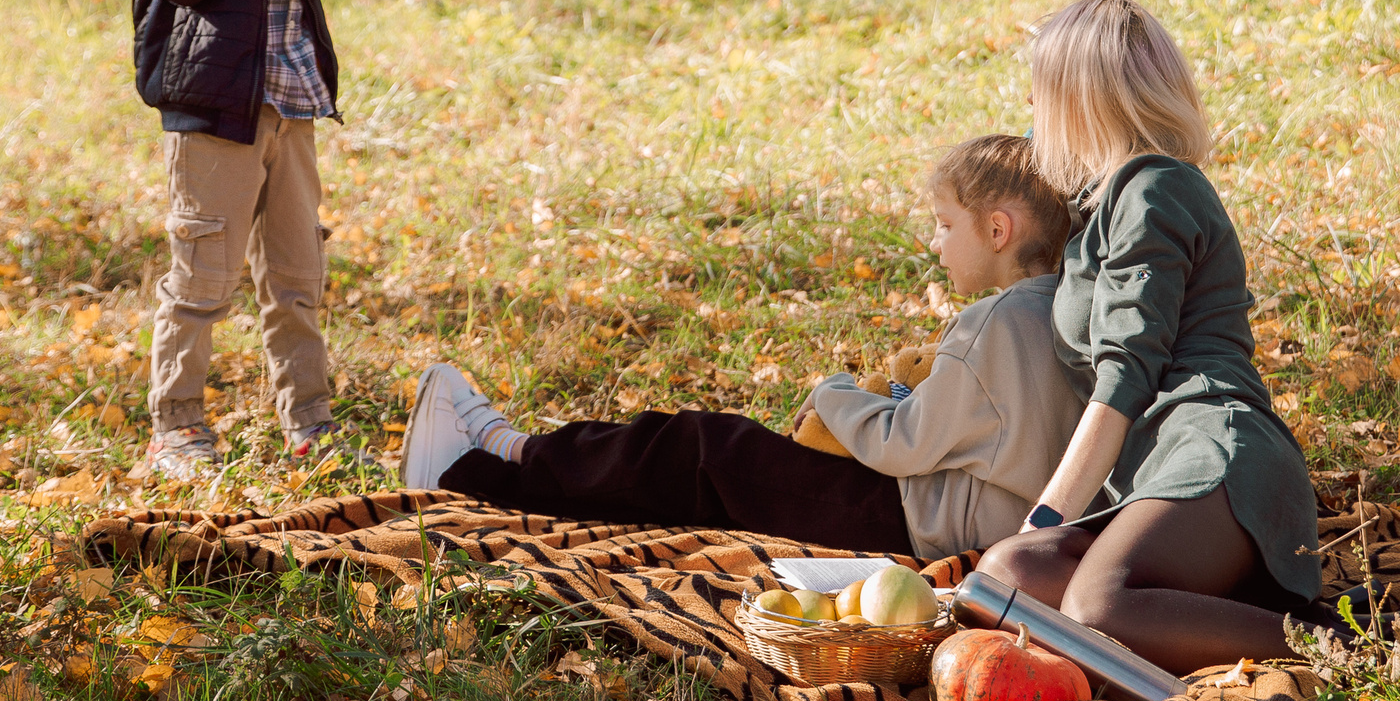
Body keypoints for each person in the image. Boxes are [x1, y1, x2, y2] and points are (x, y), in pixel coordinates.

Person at [401, 136, 1087, 559]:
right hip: (948, 519)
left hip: (901, 523)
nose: (935, 243)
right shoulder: (1063, 311)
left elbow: (905, 442)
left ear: (997, 229)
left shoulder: (993, 323)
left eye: (945, 225)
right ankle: (515, 456)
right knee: (715, 471)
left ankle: (478, 466)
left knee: (701, 449)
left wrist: (835, 393)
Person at [974, 0, 1322, 672]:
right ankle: (1217, 634)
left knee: (1096, 608)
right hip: (1155, 468)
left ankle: (1370, 650)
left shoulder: (1155, 188)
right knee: (1007, 575)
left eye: (1041, 88)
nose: (1032, 104)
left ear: (1079, 96)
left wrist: (1047, 515)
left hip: (1213, 448)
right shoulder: (1106, 202)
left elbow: (1124, 378)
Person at [120, 0, 345, 478]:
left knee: (296, 275)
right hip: (213, 112)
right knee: (202, 279)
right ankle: (177, 426)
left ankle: (310, 419)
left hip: (292, 102)